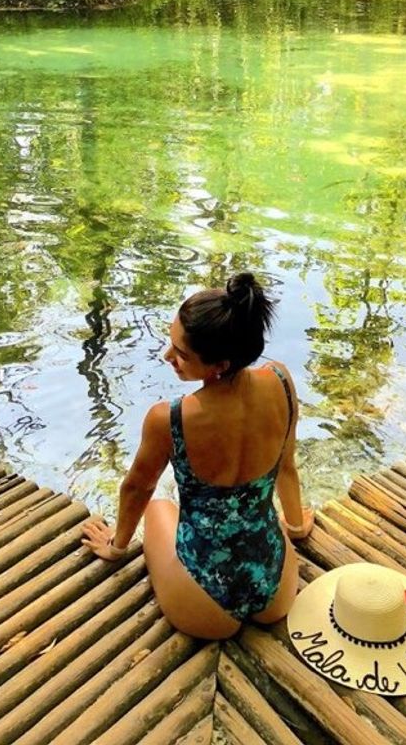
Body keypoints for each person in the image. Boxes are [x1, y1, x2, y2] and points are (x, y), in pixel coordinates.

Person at [81, 271, 314, 639]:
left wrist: (116, 547)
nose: (167, 355)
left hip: (204, 604)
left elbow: (137, 489)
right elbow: (286, 464)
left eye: (181, 354)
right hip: (276, 589)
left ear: (220, 365)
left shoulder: (169, 418)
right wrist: (297, 526)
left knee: (159, 506)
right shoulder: (281, 381)